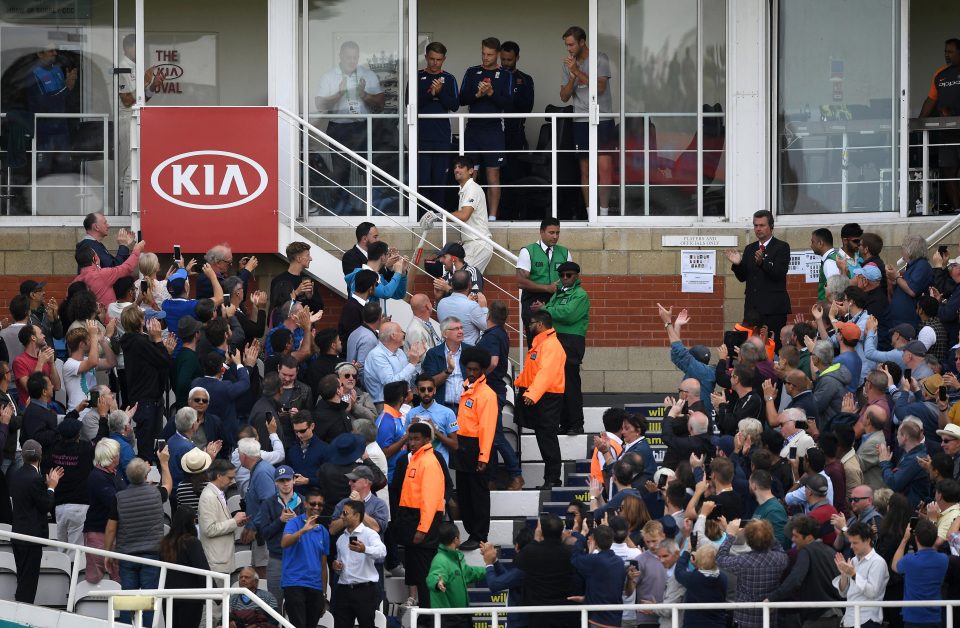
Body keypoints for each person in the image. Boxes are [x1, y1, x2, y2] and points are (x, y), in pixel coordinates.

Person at [103, 451, 173, 627]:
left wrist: (107, 553)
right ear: (146, 474)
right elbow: (168, 484)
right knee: (148, 599)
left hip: (127, 556)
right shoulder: (157, 494)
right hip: (151, 554)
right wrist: (164, 464)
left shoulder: (118, 498)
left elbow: (111, 528)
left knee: (128, 598)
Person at [316, 41, 385, 215]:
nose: (352, 61)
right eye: (348, 57)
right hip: (339, 128)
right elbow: (320, 104)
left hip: (362, 127)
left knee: (367, 170)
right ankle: (341, 212)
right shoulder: (329, 76)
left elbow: (381, 103)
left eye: (355, 57)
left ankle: (371, 212)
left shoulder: (367, 75)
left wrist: (364, 95)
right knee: (340, 172)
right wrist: (339, 93)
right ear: (340, 56)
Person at [560, 26, 616, 216]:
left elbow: (600, 87)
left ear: (582, 42)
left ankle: (605, 212)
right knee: (585, 169)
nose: (569, 49)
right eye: (567, 45)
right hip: (580, 120)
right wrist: (572, 76)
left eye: (572, 44)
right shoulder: (568, 64)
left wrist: (578, 71)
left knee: (604, 167)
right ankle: (591, 213)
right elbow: (564, 97)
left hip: (603, 118)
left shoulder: (600, 58)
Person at [391, 422, 446, 609]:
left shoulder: (429, 462)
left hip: (422, 525)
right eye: (410, 438)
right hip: (411, 521)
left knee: (425, 576)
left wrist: (422, 529)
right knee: (416, 573)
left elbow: (430, 500)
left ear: (427, 440)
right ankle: (424, 614)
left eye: (416, 439)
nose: (412, 443)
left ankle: (430, 616)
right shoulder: (415, 459)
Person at [460, 38, 511, 221]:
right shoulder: (472, 72)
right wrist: (478, 94)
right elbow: (461, 99)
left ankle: (492, 217)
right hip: (473, 128)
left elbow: (509, 102)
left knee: (493, 174)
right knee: (470, 174)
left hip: (494, 129)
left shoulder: (505, 74)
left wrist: (491, 93)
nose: (485, 57)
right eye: (483, 53)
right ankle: (471, 216)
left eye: (489, 54)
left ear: (497, 54)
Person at [452, 347, 497, 551]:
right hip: (462, 445)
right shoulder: (467, 388)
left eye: (475, 369)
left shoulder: (486, 394)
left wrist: (483, 456)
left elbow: (487, 428)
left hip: (477, 447)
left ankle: (480, 534)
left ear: (482, 370)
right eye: (469, 369)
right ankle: (471, 531)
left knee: (478, 495)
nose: (471, 373)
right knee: (464, 494)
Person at [724, 210, 791, 346]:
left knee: (772, 345)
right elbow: (743, 277)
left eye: (762, 225)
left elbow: (779, 273)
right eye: (755, 225)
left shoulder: (781, 247)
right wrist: (738, 264)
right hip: (752, 309)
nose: (758, 229)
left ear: (771, 226)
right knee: (751, 346)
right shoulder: (750, 248)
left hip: (773, 310)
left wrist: (762, 263)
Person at [515, 310, 566, 488]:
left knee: (547, 438)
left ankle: (553, 479)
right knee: (543, 437)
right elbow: (533, 370)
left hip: (547, 397)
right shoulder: (541, 343)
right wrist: (520, 383)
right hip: (540, 395)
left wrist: (532, 394)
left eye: (531, 323)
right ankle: (550, 479)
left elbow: (546, 373)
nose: (529, 327)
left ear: (540, 324)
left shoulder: (551, 345)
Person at [120, 305, 175, 462]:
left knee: (151, 444)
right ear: (140, 321)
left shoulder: (133, 341)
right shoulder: (139, 342)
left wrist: (161, 348)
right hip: (148, 402)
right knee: (147, 449)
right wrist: (158, 341)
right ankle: (146, 479)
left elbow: (158, 365)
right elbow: (164, 362)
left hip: (147, 400)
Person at [9, 439, 62, 603]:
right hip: (31, 538)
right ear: (40, 457)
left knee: (23, 579)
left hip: (18, 535)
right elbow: (45, 505)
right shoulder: (35, 479)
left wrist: (44, 486)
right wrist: (51, 486)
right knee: (28, 583)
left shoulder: (16, 475)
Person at [766, 514, 843, 627]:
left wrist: (772, 598)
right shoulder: (831, 551)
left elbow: (795, 579)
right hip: (837, 616)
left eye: (796, 536)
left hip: (818, 618)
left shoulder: (806, 551)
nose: (792, 539)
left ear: (809, 538)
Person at [542, 261, 589, 435]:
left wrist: (546, 310)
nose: (564, 278)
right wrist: (548, 309)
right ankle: (565, 423)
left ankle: (576, 424)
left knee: (571, 382)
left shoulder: (580, 295)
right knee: (559, 383)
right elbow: (553, 310)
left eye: (568, 275)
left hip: (572, 341)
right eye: (561, 275)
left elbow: (567, 315)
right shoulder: (559, 293)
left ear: (576, 276)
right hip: (557, 339)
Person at [716, 519, 788, 628]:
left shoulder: (742, 562)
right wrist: (764, 531)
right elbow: (778, 547)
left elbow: (720, 559)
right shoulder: (780, 559)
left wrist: (730, 535)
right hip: (768, 619)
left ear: (748, 540)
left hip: (744, 620)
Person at [514, 514, 577, 628]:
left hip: (538, 616)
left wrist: (536, 539)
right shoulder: (570, 553)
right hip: (565, 615)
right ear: (561, 532)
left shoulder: (530, 552)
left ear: (540, 531)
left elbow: (517, 560)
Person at [417, 42, 459, 209]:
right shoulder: (417, 76)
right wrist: (431, 94)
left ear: (444, 59)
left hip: (442, 137)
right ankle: (421, 216)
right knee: (423, 180)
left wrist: (440, 93)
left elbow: (455, 105)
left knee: (440, 180)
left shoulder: (449, 78)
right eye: (432, 59)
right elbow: (409, 103)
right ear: (426, 57)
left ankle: (438, 217)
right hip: (421, 136)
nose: (435, 63)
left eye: (439, 60)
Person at [919, 38, 960, 212]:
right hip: (947, 131)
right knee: (948, 172)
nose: (947, 55)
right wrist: (918, 121)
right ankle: (957, 209)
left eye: (950, 52)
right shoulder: (940, 74)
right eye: (945, 52)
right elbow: (931, 100)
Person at [281, 487, 331, 628]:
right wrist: (303, 530)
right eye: (313, 504)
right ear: (305, 504)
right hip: (294, 583)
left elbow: (323, 565)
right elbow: (284, 542)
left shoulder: (323, 531)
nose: (316, 507)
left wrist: (324, 594)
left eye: (320, 504)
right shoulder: (294, 523)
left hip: (315, 586)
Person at [256, 465, 304, 605]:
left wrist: (297, 522)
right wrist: (280, 521)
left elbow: (311, 533)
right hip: (277, 558)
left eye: (287, 480)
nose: (285, 483)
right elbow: (264, 533)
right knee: (274, 604)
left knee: (297, 604)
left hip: (299, 558)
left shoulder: (304, 501)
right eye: (281, 480)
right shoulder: (268, 503)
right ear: (276, 483)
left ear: (294, 480)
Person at [426, 521, 488, 627]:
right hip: (447, 619)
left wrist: (489, 570)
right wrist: (438, 583)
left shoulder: (457, 558)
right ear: (456, 539)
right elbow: (433, 577)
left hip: (461, 616)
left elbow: (469, 573)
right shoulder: (440, 559)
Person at [517, 219, 572, 338]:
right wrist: (547, 288)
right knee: (536, 342)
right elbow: (521, 282)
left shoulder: (564, 252)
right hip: (533, 300)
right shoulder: (528, 251)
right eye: (551, 232)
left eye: (557, 233)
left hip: (556, 301)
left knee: (556, 341)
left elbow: (572, 279)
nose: (555, 236)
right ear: (541, 232)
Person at [891, 518, 949, 628]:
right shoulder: (943, 560)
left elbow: (894, 565)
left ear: (916, 538)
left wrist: (904, 539)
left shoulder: (909, 560)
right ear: (936, 537)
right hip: (935, 617)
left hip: (913, 617)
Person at [160, 507, 212, 628]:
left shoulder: (164, 543)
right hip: (191, 598)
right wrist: (217, 595)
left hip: (168, 597)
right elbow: (203, 570)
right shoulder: (192, 542)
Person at [833, 521, 890, 628]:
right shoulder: (853, 560)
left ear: (868, 540)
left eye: (855, 543)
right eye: (850, 542)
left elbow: (872, 592)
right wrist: (844, 574)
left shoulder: (878, 562)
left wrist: (853, 574)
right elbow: (843, 594)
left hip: (867, 619)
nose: (851, 546)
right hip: (849, 619)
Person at [84, 438, 123, 583]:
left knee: (118, 577)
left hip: (112, 533)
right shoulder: (98, 477)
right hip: (99, 532)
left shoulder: (114, 473)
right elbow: (114, 502)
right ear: (112, 457)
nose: (120, 455)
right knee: (95, 578)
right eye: (117, 453)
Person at [198, 459, 247, 574]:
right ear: (219, 476)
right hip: (216, 562)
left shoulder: (216, 493)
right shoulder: (208, 497)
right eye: (230, 478)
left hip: (221, 560)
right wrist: (234, 522)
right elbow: (209, 529)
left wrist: (235, 522)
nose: (232, 481)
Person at [50, 417, 93, 546]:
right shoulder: (85, 450)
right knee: (75, 550)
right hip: (79, 506)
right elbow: (99, 440)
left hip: (59, 506)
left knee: (61, 549)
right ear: (78, 435)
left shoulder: (54, 449)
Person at [481, 528, 535, 628]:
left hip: (521, 623)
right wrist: (494, 560)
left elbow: (494, 584)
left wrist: (488, 563)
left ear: (517, 546)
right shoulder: (531, 563)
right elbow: (510, 579)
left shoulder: (524, 568)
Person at [499, 41, 535, 189]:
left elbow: (528, 107)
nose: (506, 63)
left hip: (515, 133)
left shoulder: (525, 79)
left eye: (510, 59)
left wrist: (511, 93)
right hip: (494, 132)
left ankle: (514, 212)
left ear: (517, 58)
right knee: (493, 173)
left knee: (514, 174)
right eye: (503, 59)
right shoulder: (493, 76)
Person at [363, 322, 424, 405]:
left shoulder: (400, 352)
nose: (403, 334)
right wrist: (412, 364)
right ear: (393, 335)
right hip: (385, 404)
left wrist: (417, 360)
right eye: (401, 331)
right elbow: (391, 384)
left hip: (404, 400)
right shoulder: (376, 355)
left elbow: (410, 376)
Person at [72, 241, 144, 309]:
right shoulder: (102, 275)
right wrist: (136, 250)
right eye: (97, 255)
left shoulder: (74, 283)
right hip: (106, 321)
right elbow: (126, 268)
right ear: (95, 258)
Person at [422, 317, 471, 414]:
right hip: (441, 408)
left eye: (461, 328)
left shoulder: (470, 352)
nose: (461, 331)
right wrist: (448, 371)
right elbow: (429, 384)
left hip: (466, 407)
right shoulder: (433, 354)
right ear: (445, 334)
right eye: (456, 329)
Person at [408, 373, 458, 466]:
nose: (426, 393)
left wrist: (435, 432)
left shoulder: (447, 413)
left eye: (430, 389)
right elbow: (406, 443)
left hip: (439, 465)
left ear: (434, 390)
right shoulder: (411, 413)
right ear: (417, 391)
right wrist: (411, 428)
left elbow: (455, 445)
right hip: (417, 465)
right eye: (422, 389)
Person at [673, 544, 728, 628]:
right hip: (717, 624)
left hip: (694, 624)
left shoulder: (693, 578)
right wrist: (699, 565)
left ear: (696, 559)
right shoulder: (723, 578)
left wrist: (687, 552)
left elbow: (679, 572)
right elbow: (705, 577)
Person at [886, 235, 933, 330]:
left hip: (909, 322)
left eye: (903, 248)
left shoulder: (922, 265)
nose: (902, 252)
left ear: (910, 250)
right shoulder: (913, 266)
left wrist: (896, 276)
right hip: (901, 321)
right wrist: (893, 280)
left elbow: (912, 290)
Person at [12, 323, 60, 407]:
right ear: (33, 337)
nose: (44, 336)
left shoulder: (44, 358)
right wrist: (40, 363)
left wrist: (51, 363)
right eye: (41, 333)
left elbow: (57, 387)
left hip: (48, 407)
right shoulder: (19, 361)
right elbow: (30, 388)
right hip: (30, 410)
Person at [437, 270, 488, 345]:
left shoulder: (441, 303)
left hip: (447, 350)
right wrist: (484, 307)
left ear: (451, 284)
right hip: (467, 353)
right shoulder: (472, 306)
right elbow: (487, 327)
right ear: (470, 285)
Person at [338, 269, 379, 352]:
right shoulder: (352, 308)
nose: (376, 288)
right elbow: (355, 336)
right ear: (370, 288)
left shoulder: (359, 306)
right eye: (376, 285)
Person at [172, 315, 205, 409]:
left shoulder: (181, 355)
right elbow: (182, 383)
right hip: (189, 410)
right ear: (196, 334)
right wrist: (203, 382)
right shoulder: (189, 358)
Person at [406, 295, 442, 363]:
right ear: (427, 306)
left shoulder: (424, 323)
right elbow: (423, 358)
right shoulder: (416, 330)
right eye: (430, 302)